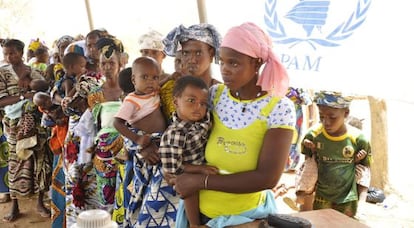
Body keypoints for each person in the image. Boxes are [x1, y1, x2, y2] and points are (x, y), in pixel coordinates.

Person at [173, 22, 295, 227]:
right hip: (200, 216)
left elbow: (267, 178)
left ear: (256, 64)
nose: (225, 70)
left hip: (245, 219)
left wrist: (201, 182)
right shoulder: (214, 97)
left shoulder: (278, 109)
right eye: (222, 62)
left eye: (234, 63)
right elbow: (188, 146)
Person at [113, 56, 169, 227]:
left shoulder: (154, 92)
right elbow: (117, 123)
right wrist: (137, 139)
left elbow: (164, 79)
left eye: (154, 77)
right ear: (133, 80)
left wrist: (173, 76)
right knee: (140, 186)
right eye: (144, 77)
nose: (151, 81)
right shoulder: (131, 100)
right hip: (144, 146)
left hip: (159, 142)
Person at [0, 39, 52, 222]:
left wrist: (29, 78)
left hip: (36, 123)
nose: (8, 56)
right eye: (5, 53)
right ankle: (15, 205)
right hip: (14, 125)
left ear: (21, 53)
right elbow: (1, 101)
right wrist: (23, 96)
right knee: (16, 162)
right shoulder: (2, 73)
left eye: (12, 53)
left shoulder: (35, 71)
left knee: (39, 160)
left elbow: (44, 89)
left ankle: (40, 202)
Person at [299, 91, 372, 217]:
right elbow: (308, 170)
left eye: (332, 117)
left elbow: (364, 173)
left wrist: (362, 204)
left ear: (346, 113)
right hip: (321, 198)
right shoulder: (312, 137)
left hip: (348, 200)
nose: (326, 122)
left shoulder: (359, 140)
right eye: (321, 116)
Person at [159, 76, 218, 227]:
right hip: (186, 171)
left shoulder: (202, 121)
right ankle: (194, 224)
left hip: (201, 164)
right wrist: (200, 169)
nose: (198, 107)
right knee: (190, 191)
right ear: (175, 102)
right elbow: (174, 168)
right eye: (191, 101)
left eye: (203, 103)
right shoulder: (175, 134)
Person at [162, 23, 222, 121]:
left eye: (198, 53)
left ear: (211, 54)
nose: (191, 60)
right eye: (186, 53)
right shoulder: (170, 90)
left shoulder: (222, 93)